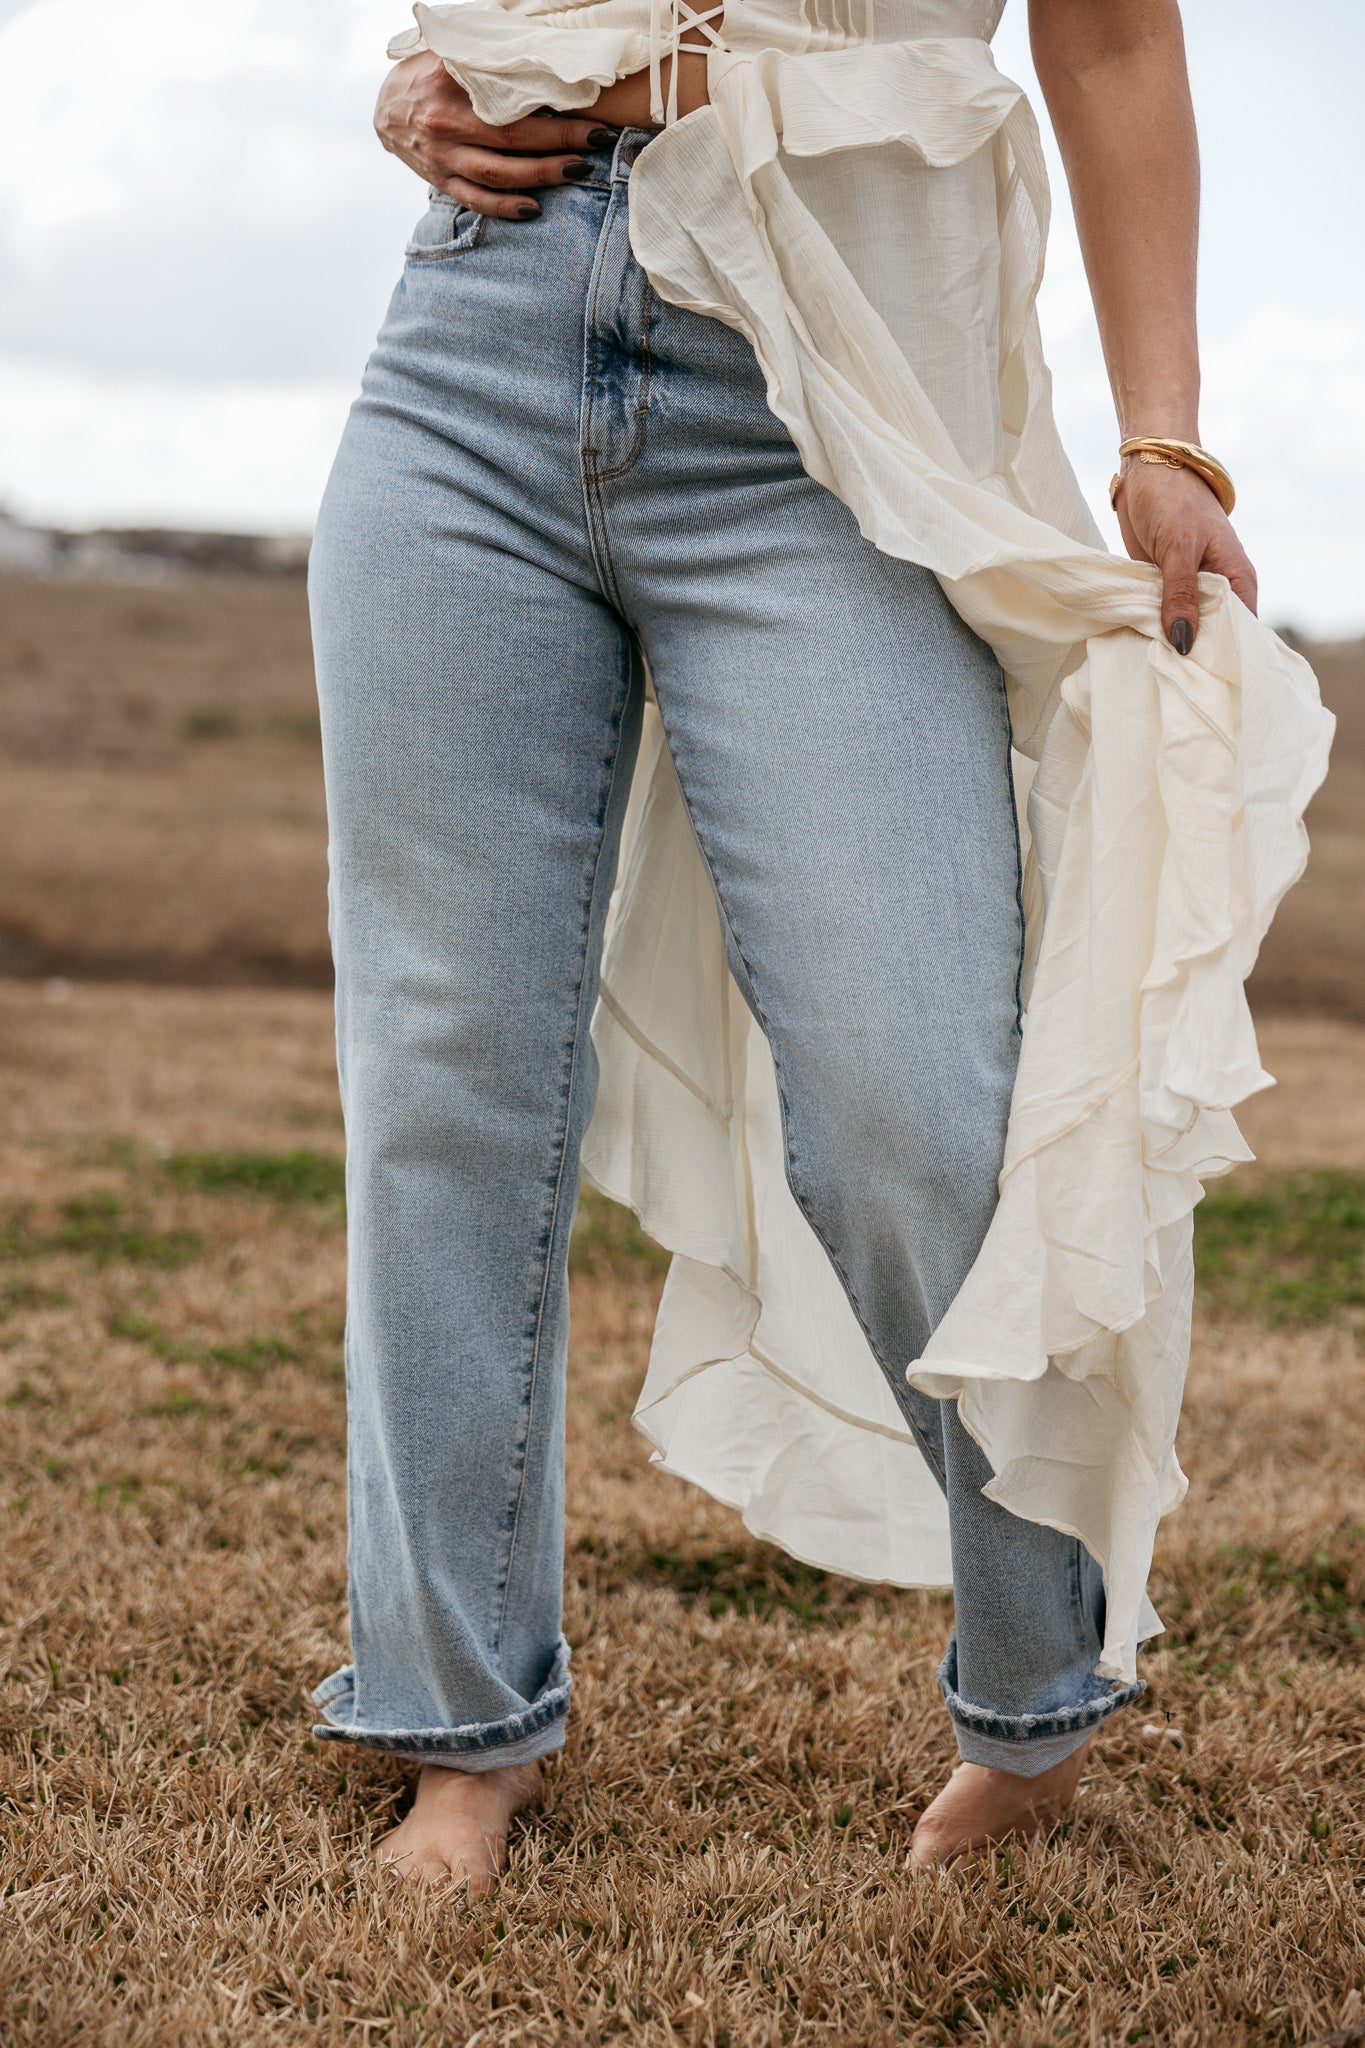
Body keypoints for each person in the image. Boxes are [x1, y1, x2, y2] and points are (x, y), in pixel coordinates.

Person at [306, 0, 1330, 1887]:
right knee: (439, 1076)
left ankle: (1034, 1695)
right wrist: (413, 70)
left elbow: (1108, 40)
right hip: (481, 325)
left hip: (841, 374)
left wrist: (1164, 428)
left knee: (911, 1103)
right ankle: (456, 1722)